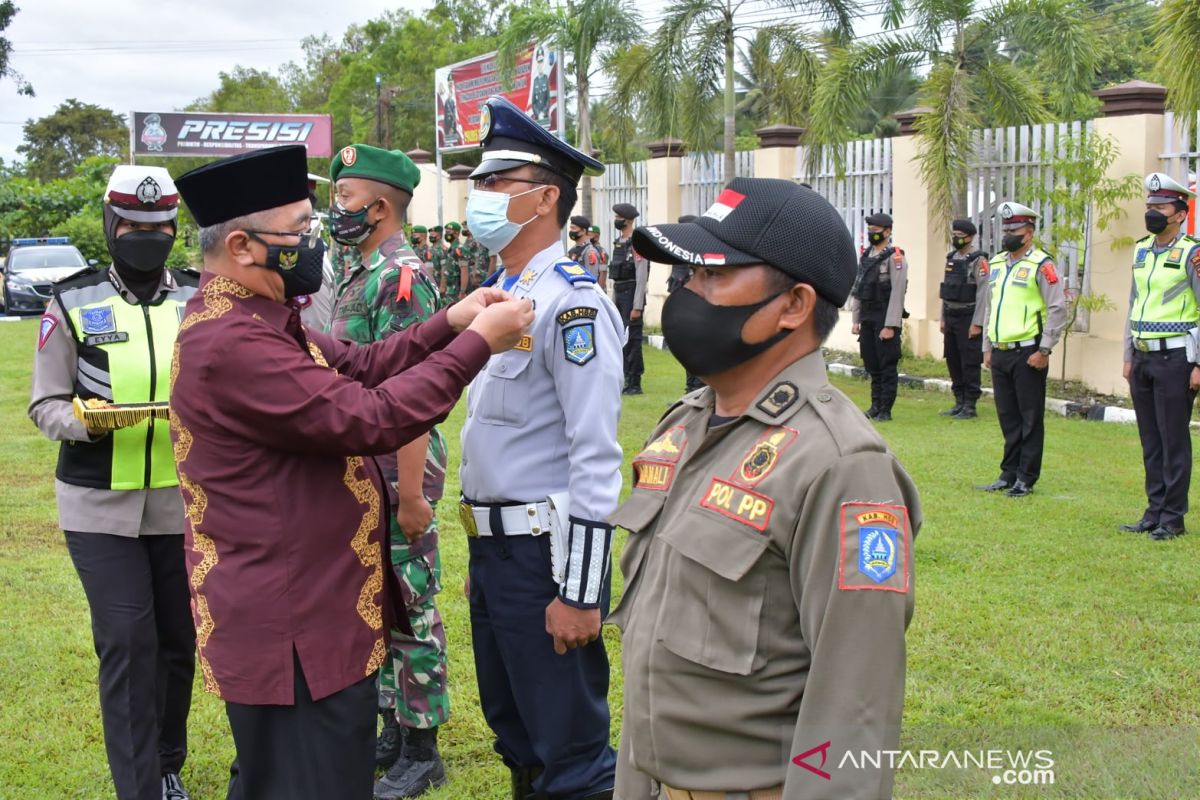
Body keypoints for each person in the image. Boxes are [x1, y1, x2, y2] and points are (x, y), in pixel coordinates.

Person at [169, 144, 533, 800]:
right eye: (300, 231)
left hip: (313, 610)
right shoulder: (233, 343)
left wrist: (450, 323)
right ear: (245, 247)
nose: (314, 242)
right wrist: (481, 344)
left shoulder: (258, 317)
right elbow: (370, 417)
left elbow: (360, 363)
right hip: (290, 627)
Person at [609, 177, 922, 800]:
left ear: (794, 305)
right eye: (687, 276)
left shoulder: (842, 466)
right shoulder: (687, 423)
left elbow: (853, 708)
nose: (687, 293)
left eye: (713, 275)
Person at [459, 95, 624, 800]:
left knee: (571, 750)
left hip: (544, 554)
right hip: (494, 552)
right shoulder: (499, 295)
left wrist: (581, 592)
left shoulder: (572, 303)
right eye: (481, 184)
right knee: (516, 734)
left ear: (544, 198)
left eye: (497, 184)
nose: (481, 197)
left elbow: (596, 455)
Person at [29, 165, 198, 800]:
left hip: (183, 503)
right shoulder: (70, 301)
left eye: (158, 227)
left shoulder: (199, 296)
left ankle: (166, 761)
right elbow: (45, 403)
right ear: (110, 225)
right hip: (99, 505)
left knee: (178, 641)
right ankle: (141, 788)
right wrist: (86, 422)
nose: (145, 236)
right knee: (128, 640)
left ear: (174, 228)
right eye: (132, 225)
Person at [325, 144, 451, 798]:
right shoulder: (363, 270)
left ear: (378, 206)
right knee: (379, 600)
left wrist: (408, 493)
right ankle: (396, 728)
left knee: (410, 604)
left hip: (401, 467)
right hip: (366, 466)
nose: (334, 207)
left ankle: (423, 747)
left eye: (344, 197)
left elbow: (415, 394)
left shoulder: (401, 277)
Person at [1119, 173, 1200, 540]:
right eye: (1149, 206)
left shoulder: (1193, 253)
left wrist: (1198, 363)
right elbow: (1135, 303)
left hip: (1176, 359)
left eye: (1160, 207)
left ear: (1180, 213)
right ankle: (1153, 512)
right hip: (1143, 357)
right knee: (1150, 439)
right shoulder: (1140, 250)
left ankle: (1173, 517)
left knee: (1173, 439)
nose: (1152, 212)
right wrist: (1128, 353)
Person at [977, 201, 1067, 498]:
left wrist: (1045, 348)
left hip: (1028, 351)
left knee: (1030, 417)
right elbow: (991, 308)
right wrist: (988, 346)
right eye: (1005, 229)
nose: (1008, 234)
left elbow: (1057, 308)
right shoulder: (998, 263)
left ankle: (1026, 477)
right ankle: (1008, 472)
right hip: (1001, 350)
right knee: (1007, 415)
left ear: (1028, 233)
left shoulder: (1042, 264)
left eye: (1014, 230)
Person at [849, 211, 907, 421]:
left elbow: (898, 292)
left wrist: (890, 325)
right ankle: (875, 405)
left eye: (876, 231)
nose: (873, 234)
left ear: (888, 231)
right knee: (872, 363)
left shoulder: (895, 257)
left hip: (885, 315)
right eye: (870, 230)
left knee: (887, 364)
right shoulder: (867, 255)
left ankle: (885, 409)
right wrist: (856, 320)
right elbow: (858, 289)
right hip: (867, 316)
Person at [939, 218, 989, 419]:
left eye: (960, 236)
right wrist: (942, 317)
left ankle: (970, 404)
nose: (956, 239)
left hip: (968, 317)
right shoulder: (951, 258)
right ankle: (958, 401)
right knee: (953, 359)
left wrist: (977, 323)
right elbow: (946, 291)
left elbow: (984, 293)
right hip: (951, 315)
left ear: (970, 238)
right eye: (954, 235)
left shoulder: (979, 261)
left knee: (969, 361)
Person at [611, 203, 649, 394]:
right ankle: (624, 377)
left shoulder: (637, 242)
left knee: (632, 339)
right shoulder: (619, 241)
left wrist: (637, 305)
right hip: (619, 292)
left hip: (631, 293)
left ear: (627, 219)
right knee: (620, 338)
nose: (616, 220)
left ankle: (634, 382)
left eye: (618, 217)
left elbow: (641, 275)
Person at [665, 213, 704, 394]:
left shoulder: (698, 252)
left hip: (695, 306)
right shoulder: (680, 249)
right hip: (682, 303)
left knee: (696, 346)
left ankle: (697, 388)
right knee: (687, 348)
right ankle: (690, 389)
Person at [433, 221, 469, 306]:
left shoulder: (459, 249)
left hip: (456, 290)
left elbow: (464, 271)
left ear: (456, 233)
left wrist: (462, 291)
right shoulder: (450, 249)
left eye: (449, 232)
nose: (446, 234)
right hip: (449, 290)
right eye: (446, 232)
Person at [589, 225, 608, 290]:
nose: (588, 237)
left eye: (590, 235)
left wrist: (600, 291)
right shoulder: (586, 249)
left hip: (597, 288)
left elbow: (603, 273)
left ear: (597, 237)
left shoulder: (601, 251)